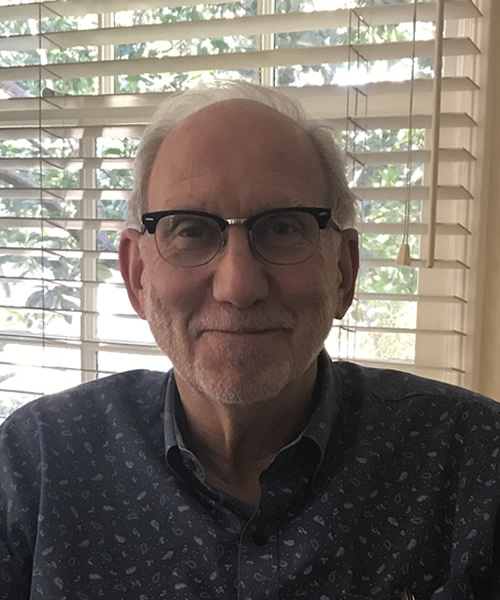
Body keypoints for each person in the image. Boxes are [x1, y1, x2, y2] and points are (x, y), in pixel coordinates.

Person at [1, 81, 499, 600]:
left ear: (344, 272)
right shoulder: (36, 464)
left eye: (283, 228)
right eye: (190, 231)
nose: (238, 287)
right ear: (136, 276)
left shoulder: (477, 462)